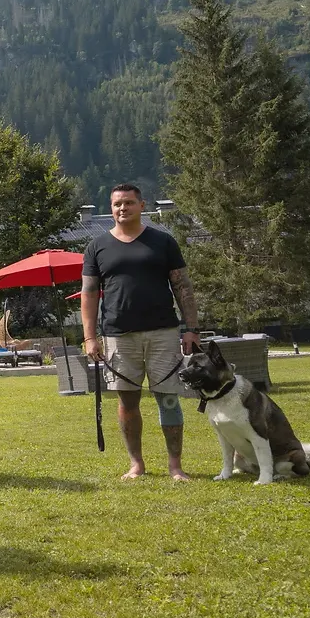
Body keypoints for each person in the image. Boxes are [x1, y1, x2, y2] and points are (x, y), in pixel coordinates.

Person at [81, 183, 200, 481]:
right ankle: (137, 464)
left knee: (168, 399)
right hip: (118, 336)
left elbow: (183, 287)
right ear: (111, 208)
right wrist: (89, 337)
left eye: (129, 203)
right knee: (127, 403)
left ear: (141, 205)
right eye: (117, 204)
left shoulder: (163, 242)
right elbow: (89, 293)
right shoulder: (96, 247)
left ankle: (175, 466)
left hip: (163, 332)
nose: (123, 208)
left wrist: (191, 329)